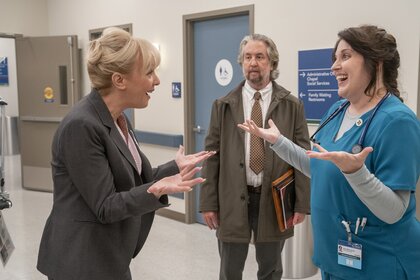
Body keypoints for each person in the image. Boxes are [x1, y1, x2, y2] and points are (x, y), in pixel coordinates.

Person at [239, 25, 420, 280]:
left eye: (345, 57)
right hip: (335, 257)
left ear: (376, 63)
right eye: (335, 58)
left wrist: (356, 172)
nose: (334, 66)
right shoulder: (337, 110)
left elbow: (394, 211)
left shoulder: (398, 122)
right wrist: (279, 142)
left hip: (380, 262)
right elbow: (318, 166)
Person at [36, 27, 214, 280]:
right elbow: (106, 205)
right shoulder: (82, 126)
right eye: (149, 73)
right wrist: (157, 189)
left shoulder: (118, 119)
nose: (157, 81)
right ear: (119, 80)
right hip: (82, 260)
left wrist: (173, 166)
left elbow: (131, 179)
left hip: (109, 255)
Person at [199, 34, 311, 280]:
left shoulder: (292, 105)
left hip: (274, 199)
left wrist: (302, 203)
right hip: (232, 199)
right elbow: (212, 156)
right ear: (241, 63)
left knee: (271, 269)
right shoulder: (223, 105)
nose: (253, 63)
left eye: (259, 57)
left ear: (272, 63)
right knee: (230, 270)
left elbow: (302, 156)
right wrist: (208, 202)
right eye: (247, 57)